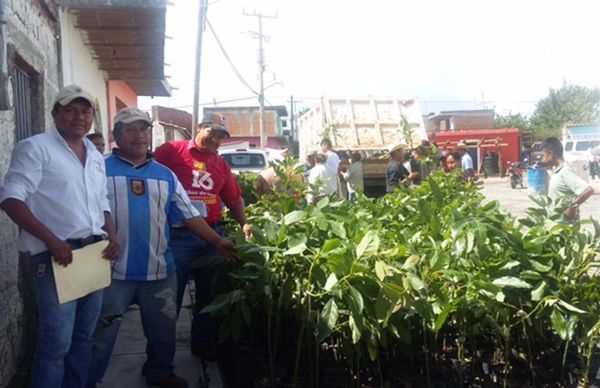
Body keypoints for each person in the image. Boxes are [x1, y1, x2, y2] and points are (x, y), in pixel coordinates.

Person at [87, 108, 236, 388]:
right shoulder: (98, 170)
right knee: (103, 331)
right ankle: (90, 379)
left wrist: (217, 241)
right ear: (116, 135)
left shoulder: (165, 175)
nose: (139, 135)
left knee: (163, 328)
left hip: (158, 269)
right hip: (112, 271)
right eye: (130, 129)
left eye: (143, 129)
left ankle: (160, 371)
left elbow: (190, 214)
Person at [0, 84, 120, 388]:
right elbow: (11, 199)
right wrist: (52, 240)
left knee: (83, 338)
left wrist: (112, 234)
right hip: (55, 259)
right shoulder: (36, 147)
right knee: (56, 344)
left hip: (92, 256)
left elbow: (101, 201)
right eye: (70, 110)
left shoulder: (93, 153)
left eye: (85, 111)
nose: (79, 117)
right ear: (55, 114)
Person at [153, 112, 251, 360]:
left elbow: (233, 197)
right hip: (179, 237)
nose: (216, 140)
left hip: (213, 237)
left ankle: (202, 343)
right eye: (212, 133)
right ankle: (161, 358)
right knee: (170, 296)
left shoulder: (220, 163)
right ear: (199, 128)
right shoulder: (170, 151)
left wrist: (245, 224)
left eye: (221, 137)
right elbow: (149, 177)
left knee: (209, 294)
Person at [542, 137, 594, 221]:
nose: (543, 159)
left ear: (550, 154)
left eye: (543, 155)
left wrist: (572, 207)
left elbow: (589, 190)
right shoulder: (558, 171)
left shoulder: (565, 171)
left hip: (565, 228)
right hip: (556, 225)